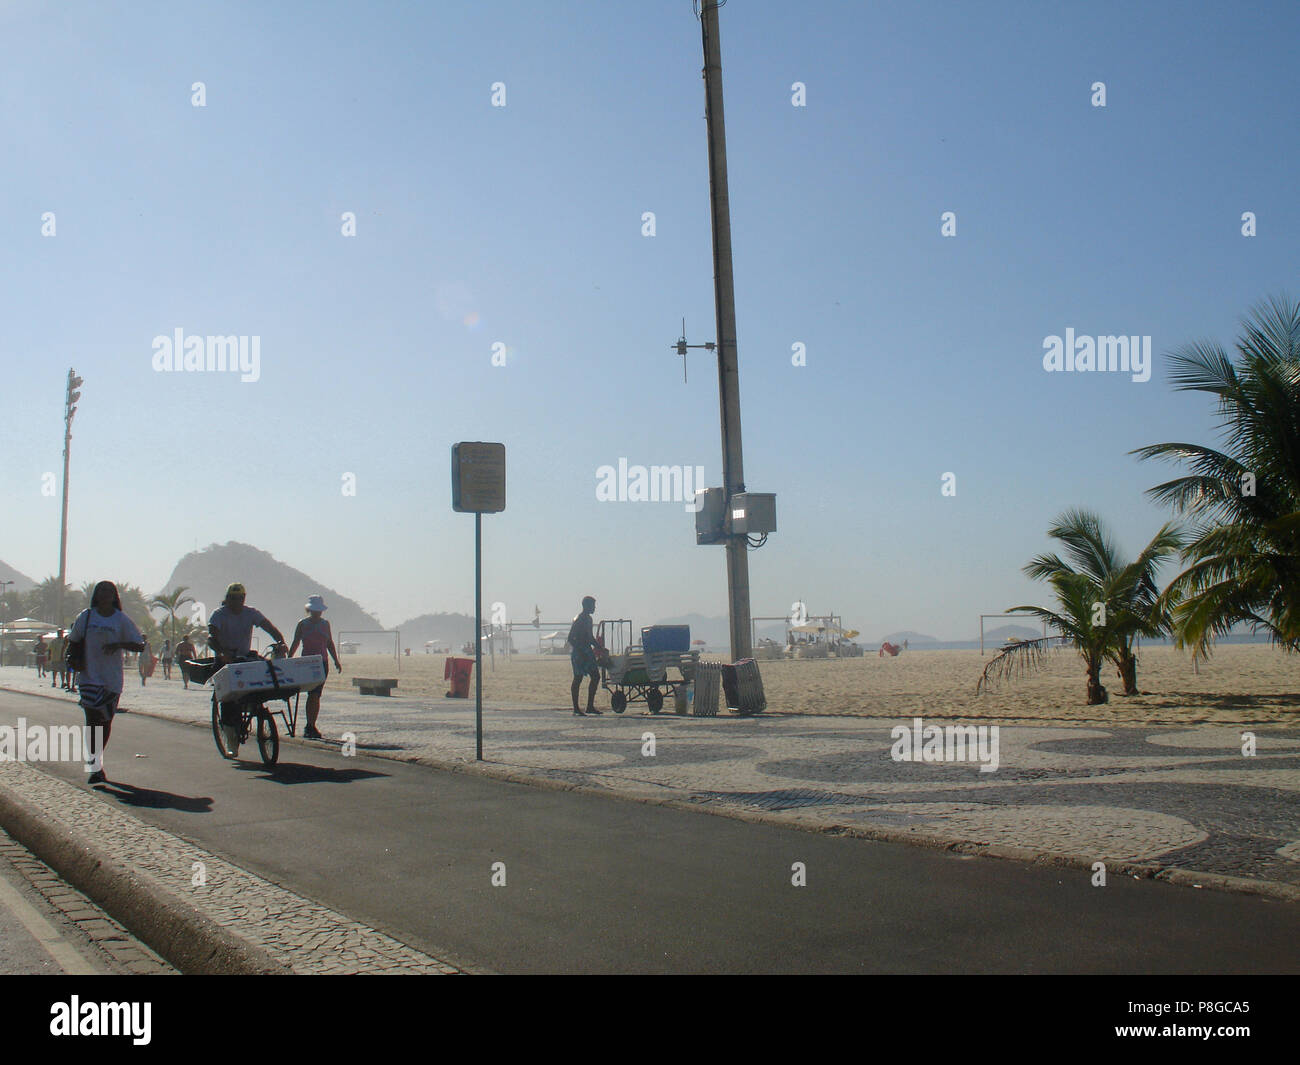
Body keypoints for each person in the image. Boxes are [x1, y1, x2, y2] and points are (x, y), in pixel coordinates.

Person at [69, 581, 144, 785]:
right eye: (101, 590)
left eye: (109, 591)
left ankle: (96, 759)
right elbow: (74, 640)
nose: (105, 594)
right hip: (89, 676)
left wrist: (119, 643)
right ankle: (94, 765)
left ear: (115, 596)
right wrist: (73, 659)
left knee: (106, 722)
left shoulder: (121, 620)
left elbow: (140, 644)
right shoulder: (86, 616)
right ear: (95, 595)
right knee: (92, 719)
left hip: (111, 679)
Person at [208, 583, 286, 753]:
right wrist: (222, 652)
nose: (237, 601)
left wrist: (281, 642)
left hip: (244, 659)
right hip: (225, 660)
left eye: (241, 598)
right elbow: (211, 637)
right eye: (234, 598)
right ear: (227, 599)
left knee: (261, 683)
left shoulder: (251, 613)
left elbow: (269, 627)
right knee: (228, 700)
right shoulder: (219, 614)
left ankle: (257, 710)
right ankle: (230, 738)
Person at [288, 595, 342, 740]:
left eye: (318, 610)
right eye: (314, 610)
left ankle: (311, 725)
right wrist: (289, 658)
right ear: (309, 610)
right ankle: (310, 726)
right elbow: (296, 642)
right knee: (312, 693)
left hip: (322, 662)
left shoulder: (325, 624)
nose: (317, 613)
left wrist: (336, 660)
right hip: (307, 663)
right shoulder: (302, 624)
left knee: (316, 694)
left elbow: (329, 643)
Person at [567, 595, 602, 716]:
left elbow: (590, 637)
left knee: (596, 676)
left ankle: (590, 706)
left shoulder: (589, 619)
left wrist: (599, 647)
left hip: (587, 651)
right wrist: (580, 650)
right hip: (579, 652)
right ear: (586, 606)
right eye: (593, 605)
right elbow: (570, 638)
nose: (594, 608)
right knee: (578, 678)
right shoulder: (579, 619)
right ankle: (576, 708)